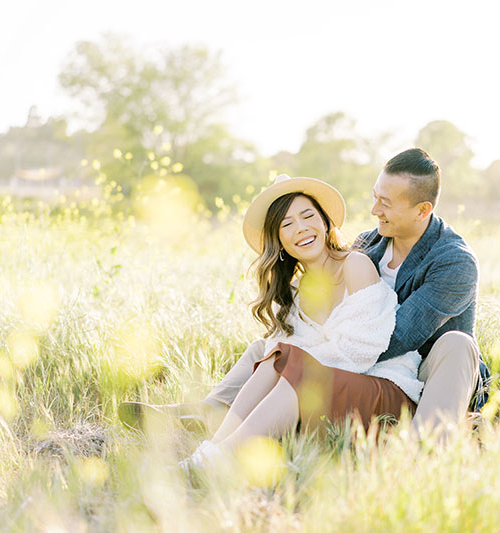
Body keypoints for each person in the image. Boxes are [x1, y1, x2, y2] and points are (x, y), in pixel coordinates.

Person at [120, 148, 489, 443]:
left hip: (421, 368)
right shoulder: (370, 241)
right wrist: (290, 346)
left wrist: (305, 361)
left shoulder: (453, 262)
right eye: (375, 197)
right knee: (268, 348)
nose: (375, 209)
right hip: (362, 354)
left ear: (423, 210)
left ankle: (425, 449)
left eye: (386, 203)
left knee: (457, 343)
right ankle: (208, 413)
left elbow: (396, 337)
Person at [179, 174, 424, 468]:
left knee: (292, 360)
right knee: (276, 356)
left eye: (308, 216)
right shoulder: (296, 293)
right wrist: (291, 362)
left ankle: (218, 459)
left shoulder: (354, 266)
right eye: (287, 224)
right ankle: (209, 453)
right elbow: (283, 363)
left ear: (324, 223)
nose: (301, 228)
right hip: (327, 394)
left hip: (384, 395)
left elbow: (361, 351)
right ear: (279, 241)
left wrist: (299, 362)